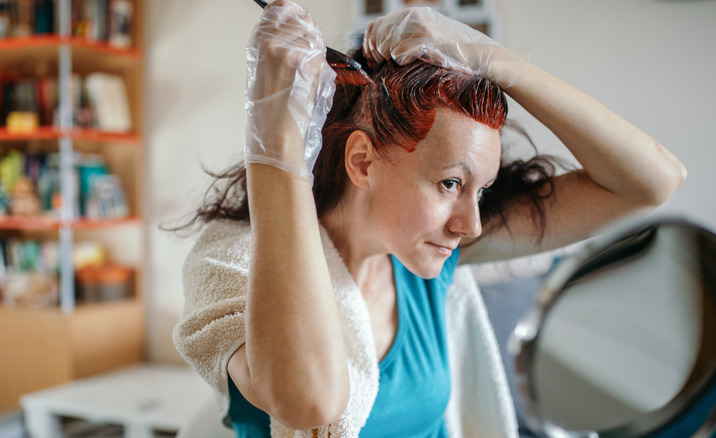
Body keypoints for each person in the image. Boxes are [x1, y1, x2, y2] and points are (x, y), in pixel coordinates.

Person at [172, 1, 687, 437]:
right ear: (362, 162)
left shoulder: (430, 261)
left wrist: (494, 60)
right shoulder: (230, 266)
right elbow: (308, 402)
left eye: (479, 191)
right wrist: (277, 150)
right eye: (450, 184)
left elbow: (652, 182)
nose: (473, 225)